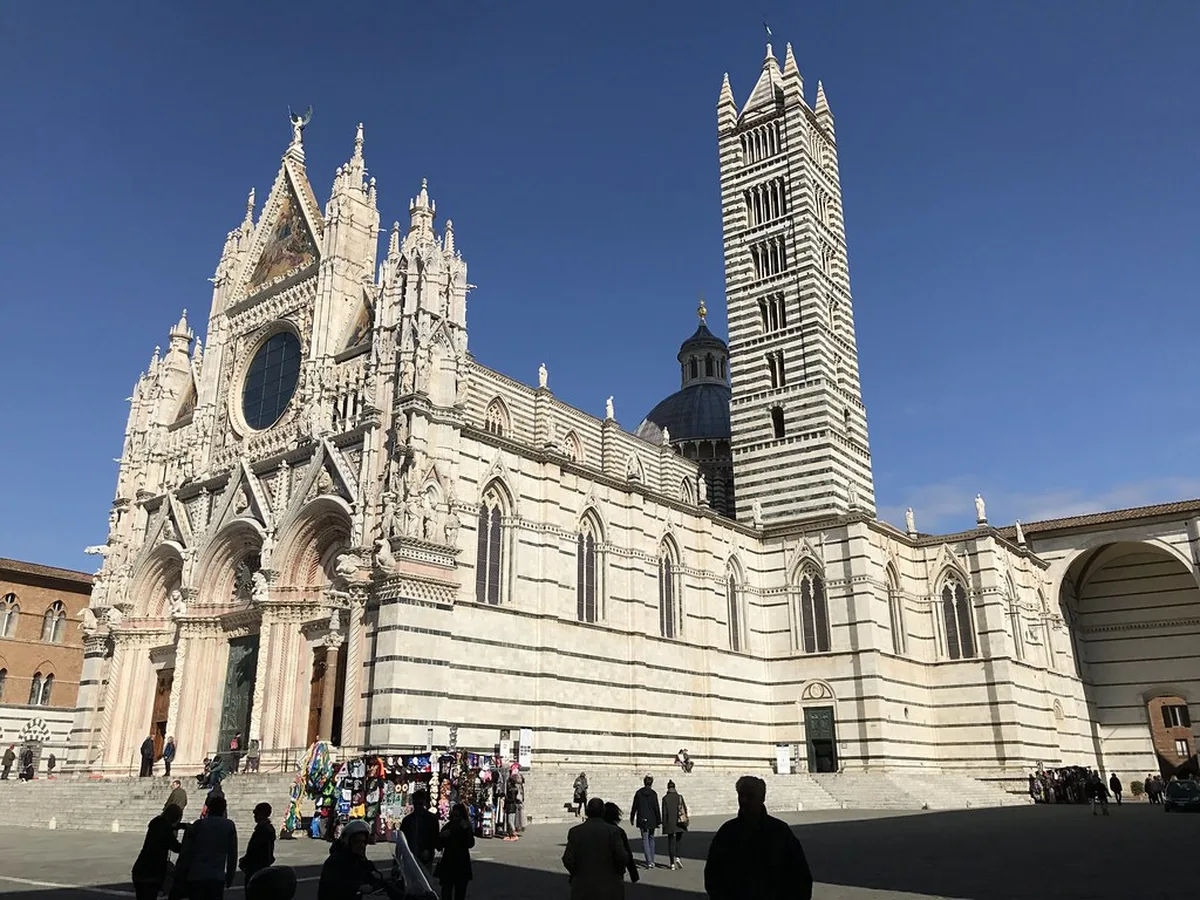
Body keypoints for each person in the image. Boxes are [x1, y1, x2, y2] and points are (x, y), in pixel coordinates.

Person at [705, 776, 813, 900]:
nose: (744, 800)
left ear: (762, 798)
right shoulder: (727, 832)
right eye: (741, 795)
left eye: (750, 796)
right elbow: (712, 875)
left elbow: (800, 876)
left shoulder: (780, 832)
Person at [562, 797, 629, 900]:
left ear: (587, 811)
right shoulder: (613, 831)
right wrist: (616, 873)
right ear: (603, 812)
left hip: (582, 886)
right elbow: (622, 857)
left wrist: (577, 873)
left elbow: (567, 859)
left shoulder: (575, 832)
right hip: (609, 886)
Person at [176, 793, 238, 900]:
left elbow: (186, 851)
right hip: (216, 875)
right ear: (223, 810)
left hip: (196, 874)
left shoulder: (199, 824)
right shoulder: (229, 825)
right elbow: (232, 853)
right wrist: (230, 875)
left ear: (209, 809)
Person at [318, 818, 398, 900]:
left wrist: (387, 884)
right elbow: (335, 884)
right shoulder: (335, 861)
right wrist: (357, 887)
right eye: (357, 842)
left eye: (363, 842)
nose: (361, 845)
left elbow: (370, 877)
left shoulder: (360, 860)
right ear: (348, 842)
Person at [132, 802, 184, 900]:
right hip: (153, 872)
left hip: (140, 868)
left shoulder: (156, 822)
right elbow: (176, 847)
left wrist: (178, 826)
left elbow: (165, 826)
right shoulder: (166, 830)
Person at [435, 802, 475, 900]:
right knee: (446, 892)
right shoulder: (448, 826)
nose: (455, 818)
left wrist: (466, 830)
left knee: (460, 893)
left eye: (458, 816)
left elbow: (470, 843)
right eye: (453, 815)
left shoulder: (465, 827)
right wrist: (441, 837)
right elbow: (439, 846)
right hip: (449, 862)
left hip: (462, 863)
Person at [399, 789, 440, 871]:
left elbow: (435, 837)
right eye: (416, 803)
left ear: (424, 803)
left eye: (420, 804)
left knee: (425, 878)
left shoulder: (431, 819)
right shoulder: (407, 820)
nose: (418, 806)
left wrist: (429, 849)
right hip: (411, 855)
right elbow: (401, 840)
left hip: (425, 856)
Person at [602, 802, 639, 884]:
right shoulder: (618, 831)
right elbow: (626, 852)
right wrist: (633, 873)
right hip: (615, 872)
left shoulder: (594, 831)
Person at [629, 775, 661, 869]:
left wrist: (632, 817)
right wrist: (659, 820)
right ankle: (652, 859)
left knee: (645, 839)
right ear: (651, 783)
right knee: (651, 838)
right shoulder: (653, 793)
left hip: (642, 818)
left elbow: (634, 806)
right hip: (652, 819)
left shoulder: (639, 793)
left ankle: (649, 861)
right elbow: (656, 807)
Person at [240, 803, 276, 884]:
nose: (254, 816)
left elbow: (255, 849)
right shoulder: (265, 828)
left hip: (257, 867)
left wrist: (245, 861)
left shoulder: (263, 830)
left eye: (256, 813)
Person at [661, 779, 688, 871]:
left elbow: (664, 813)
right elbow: (684, 809)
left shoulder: (665, 798)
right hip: (679, 822)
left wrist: (664, 824)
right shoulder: (679, 797)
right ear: (674, 787)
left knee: (670, 842)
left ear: (668, 788)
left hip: (670, 823)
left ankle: (672, 863)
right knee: (678, 841)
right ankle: (678, 857)